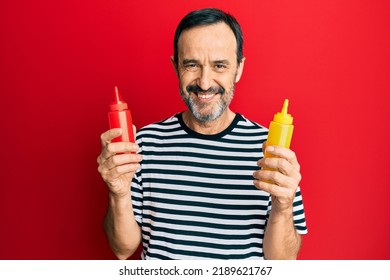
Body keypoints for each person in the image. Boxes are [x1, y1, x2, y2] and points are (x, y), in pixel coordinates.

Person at [97, 8, 307, 260]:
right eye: (192, 65)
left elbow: (282, 262)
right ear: (176, 66)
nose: (205, 82)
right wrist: (118, 193)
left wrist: (283, 207)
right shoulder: (143, 145)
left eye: (219, 65)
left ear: (239, 68)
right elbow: (122, 249)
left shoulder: (270, 150)